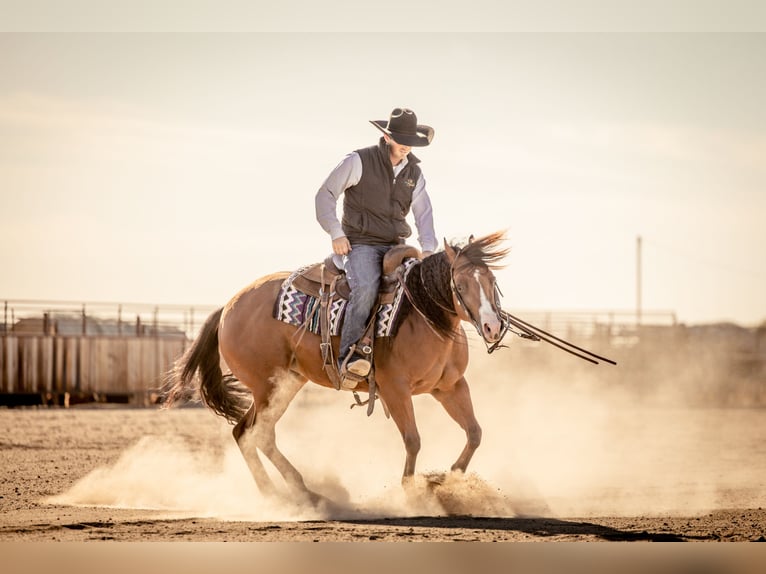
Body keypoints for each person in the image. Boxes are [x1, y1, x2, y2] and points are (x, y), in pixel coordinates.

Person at [315, 107, 438, 386]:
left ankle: (403, 358)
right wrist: (336, 232)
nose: (406, 144)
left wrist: (428, 250)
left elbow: (424, 214)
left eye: (411, 139)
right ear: (387, 136)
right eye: (401, 137)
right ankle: (348, 358)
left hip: (397, 246)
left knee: (420, 290)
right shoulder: (358, 160)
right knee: (367, 286)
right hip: (360, 243)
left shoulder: (414, 174)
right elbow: (325, 195)